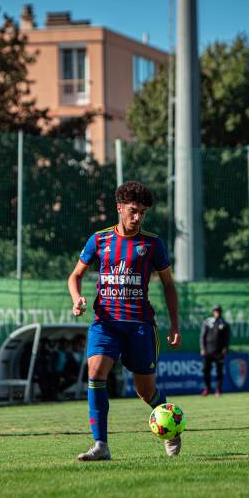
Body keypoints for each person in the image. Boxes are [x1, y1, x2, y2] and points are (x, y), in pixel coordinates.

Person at [68, 181, 181, 461]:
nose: (138, 217)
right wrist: (77, 298)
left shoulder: (152, 243)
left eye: (143, 212)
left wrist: (174, 324)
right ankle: (101, 445)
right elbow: (75, 276)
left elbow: (168, 285)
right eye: (133, 211)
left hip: (140, 326)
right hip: (106, 323)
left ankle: (170, 427)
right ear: (119, 208)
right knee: (96, 373)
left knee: (146, 391)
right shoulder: (99, 240)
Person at [200, 304, 230, 396]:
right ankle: (207, 389)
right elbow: (202, 336)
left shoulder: (224, 324)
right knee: (205, 370)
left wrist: (225, 349)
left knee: (219, 371)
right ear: (213, 312)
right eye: (216, 311)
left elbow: (227, 338)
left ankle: (218, 390)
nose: (217, 313)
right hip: (208, 351)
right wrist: (202, 348)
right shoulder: (207, 322)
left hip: (219, 351)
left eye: (219, 311)